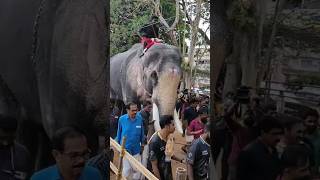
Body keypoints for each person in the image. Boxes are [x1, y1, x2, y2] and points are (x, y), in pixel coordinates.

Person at [31, 126, 101, 180]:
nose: (81, 160)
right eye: (74, 155)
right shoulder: (39, 178)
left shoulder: (94, 175)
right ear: (56, 155)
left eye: (84, 154)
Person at [237, 115, 284, 180]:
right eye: (274, 134)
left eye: (280, 134)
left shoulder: (273, 150)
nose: (278, 138)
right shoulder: (248, 152)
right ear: (263, 133)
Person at [115, 102, 145, 180]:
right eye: (133, 110)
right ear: (127, 110)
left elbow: (142, 132)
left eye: (136, 110)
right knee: (127, 170)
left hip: (136, 149)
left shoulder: (139, 118)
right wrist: (118, 147)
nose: (135, 112)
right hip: (125, 150)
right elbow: (119, 133)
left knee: (137, 170)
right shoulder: (122, 119)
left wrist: (142, 145)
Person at [148, 115, 183, 180]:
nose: (174, 127)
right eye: (173, 125)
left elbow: (168, 154)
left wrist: (180, 160)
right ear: (167, 126)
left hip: (166, 169)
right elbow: (154, 166)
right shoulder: (155, 142)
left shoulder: (169, 138)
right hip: (158, 173)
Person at [0, 115, 31, 180]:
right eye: (2, 138)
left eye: (10, 138)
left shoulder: (22, 152)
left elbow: (28, 175)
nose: (5, 142)